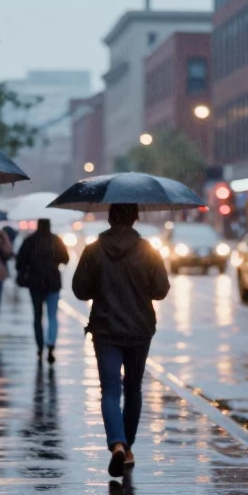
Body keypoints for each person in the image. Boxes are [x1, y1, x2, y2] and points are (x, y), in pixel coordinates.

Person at [72, 203, 170, 477]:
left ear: (110, 217)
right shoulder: (148, 251)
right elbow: (161, 290)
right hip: (139, 330)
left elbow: (80, 289)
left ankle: (117, 443)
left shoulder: (94, 249)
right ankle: (127, 448)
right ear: (136, 218)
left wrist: (100, 287)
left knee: (111, 389)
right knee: (134, 388)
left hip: (105, 330)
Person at [15, 218, 70, 364]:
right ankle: (51, 344)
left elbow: (19, 263)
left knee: (37, 317)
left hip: (36, 284)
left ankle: (39, 346)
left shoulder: (30, 241)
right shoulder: (56, 240)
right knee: (52, 316)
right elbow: (66, 258)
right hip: (53, 283)